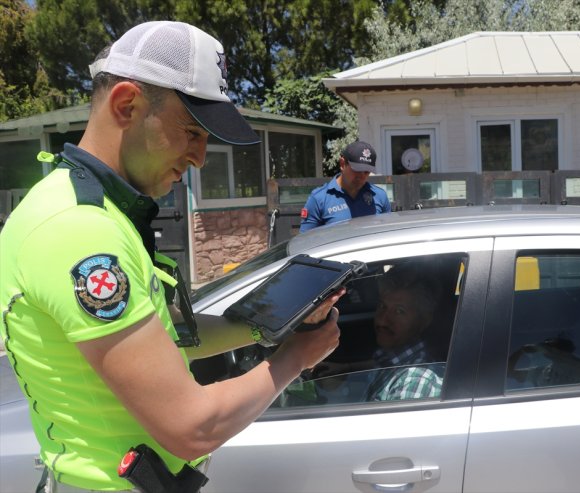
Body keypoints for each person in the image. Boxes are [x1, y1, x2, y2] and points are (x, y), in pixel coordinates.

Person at [0, 21, 342, 493]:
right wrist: (296, 357)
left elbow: (166, 337)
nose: (202, 157)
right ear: (127, 105)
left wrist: (269, 321)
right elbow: (191, 427)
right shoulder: (79, 230)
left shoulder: (93, 208)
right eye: (192, 131)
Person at [365, 265, 444, 401]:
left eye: (399, 311)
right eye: (382, 306)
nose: (382, 320)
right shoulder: (389, 357)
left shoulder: (415, 379)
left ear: (424, 320)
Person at [299, 141, 391, 232]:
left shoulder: (379, 196)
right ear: (342, 164)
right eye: (357, 170)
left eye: (366, 172)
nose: (362, 176)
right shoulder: (319, 199)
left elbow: (388, 235)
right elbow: (305, 242)